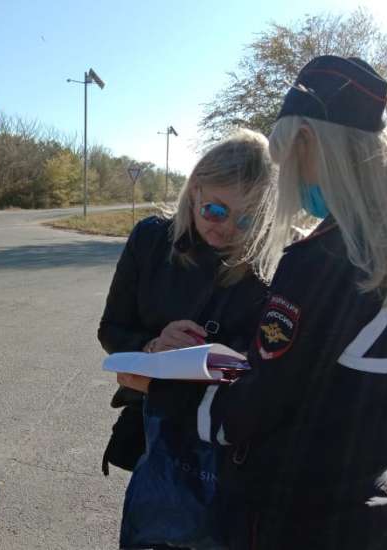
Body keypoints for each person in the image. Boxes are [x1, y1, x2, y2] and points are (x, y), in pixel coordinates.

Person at [121, 55, 387, 550]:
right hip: (370, 507)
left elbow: (244, 416)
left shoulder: (320, 256)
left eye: (286, 159)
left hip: (290, 512)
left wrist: (158, 383)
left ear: (311, 144)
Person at [98, 129, 276, 548]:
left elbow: (275, 370)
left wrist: (213, 364)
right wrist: (151, 347)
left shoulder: (275, 260)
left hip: (230, 450)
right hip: (155, 438)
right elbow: (111, 329)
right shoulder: (152, 239)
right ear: (194, 191)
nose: (227, 229)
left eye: (247, 219)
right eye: (215, 209)